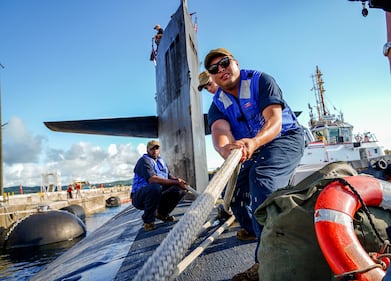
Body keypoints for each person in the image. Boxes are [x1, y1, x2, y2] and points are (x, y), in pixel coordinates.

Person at [203, 48, 305, 280]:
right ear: (212, 76)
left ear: (236, 63)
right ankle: (256, 230)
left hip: (284, 138)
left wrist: (255, 141)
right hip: (252, 148)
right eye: (214, 69)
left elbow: (274, 121)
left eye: (225, 63)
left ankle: (270, 261)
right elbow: (220, 130)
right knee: (236, 192)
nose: (221, 70)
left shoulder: (261, 81)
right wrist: (225, 149)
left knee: (262, 179)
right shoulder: (217, 104)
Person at [131, 140, 188, 231]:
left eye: (156, 148)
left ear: (159, 149)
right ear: (147, 150)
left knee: (179, 189)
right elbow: (152, 179)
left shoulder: (161, 161)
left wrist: (179, 181)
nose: (155, 151)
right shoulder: (144, 161)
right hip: (139, 197)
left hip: (157, 193)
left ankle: (162, 214)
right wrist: (176, 182)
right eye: (152, 149)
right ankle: (148, 221)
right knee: (155, 186)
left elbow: (169, 176)